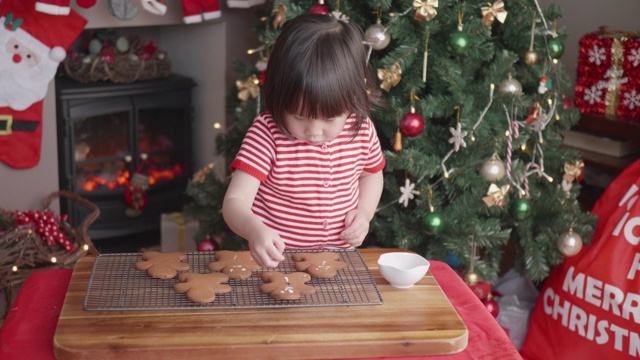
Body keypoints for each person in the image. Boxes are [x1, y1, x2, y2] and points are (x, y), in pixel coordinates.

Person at [222, 14, 385, 268]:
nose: (314, 131)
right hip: (279, 264)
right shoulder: (267, 134)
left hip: (339, 263)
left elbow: (371, 174)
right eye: (299, 116)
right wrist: (255, 230)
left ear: (356, 93)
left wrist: (364, 213)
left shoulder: (361, 128)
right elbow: (234, 203)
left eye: (329, 119)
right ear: (279, 93)